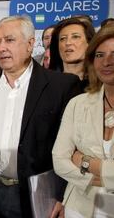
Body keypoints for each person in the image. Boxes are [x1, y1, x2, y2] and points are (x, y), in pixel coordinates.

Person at [0, 15, 81, 218]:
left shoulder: (61, 86)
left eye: (10, 40)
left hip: (40, 196)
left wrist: (63, 195)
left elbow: (74, 147)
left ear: (30, 44)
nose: (1, 47)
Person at [52, 25, 114, 218]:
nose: (107, 61)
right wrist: (90, 179)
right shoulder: (78, 103)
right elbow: (59, 158)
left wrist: (84, 161)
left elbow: (74, 159)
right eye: (99, 55)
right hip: (79, 205)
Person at [49, 18, 95, 91]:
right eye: (63, 38)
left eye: (75, 37)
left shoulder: (101, 83)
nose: (68, 43)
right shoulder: (46, 82)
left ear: (89, 43)